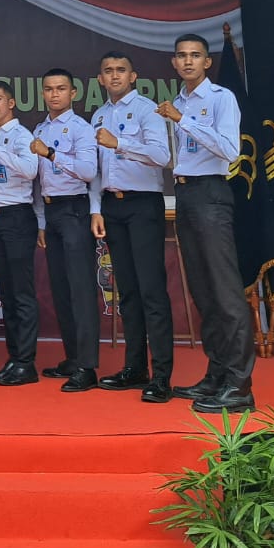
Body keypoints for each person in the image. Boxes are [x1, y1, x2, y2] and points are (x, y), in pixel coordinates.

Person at [160, 33, 255, 412]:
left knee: (225, 291)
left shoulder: (220, 98)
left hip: (212, 193)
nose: (188, 61)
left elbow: (230, 150)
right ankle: (216, 375)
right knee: (203, 291)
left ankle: (240, 386)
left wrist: (183, 121)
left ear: (207, 62)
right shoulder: (178, 101)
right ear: (174, 62)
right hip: (185, 194)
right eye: (181, 55)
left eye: (195, 55)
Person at [90, 50, 174, 404]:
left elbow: (163, 156)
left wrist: (120, 143)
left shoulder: (147, 110)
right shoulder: (98, 115)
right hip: (112, 206)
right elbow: (96, 169)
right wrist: (96, 209)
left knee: (151, 290)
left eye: (121, 70)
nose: (114, 76)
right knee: (127, 291)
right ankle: (135, 367)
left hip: (143, 205)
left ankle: (162, 376)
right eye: (108, 71)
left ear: (133, 76)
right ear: (100, 79)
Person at [32, 69, 103, 393]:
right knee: (61, 289)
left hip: (75, 209)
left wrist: (51, 153)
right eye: (49, 89)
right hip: (51, 211)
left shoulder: (81, 128)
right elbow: (38, 181)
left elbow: (88, 171)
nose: (54, 94)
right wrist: (41, 221)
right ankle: (73, 358)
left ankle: (88, 367)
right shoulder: (40, 129)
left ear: (73, 93)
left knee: (81, 290)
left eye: (61, 89)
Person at [0, 79, 43, 386]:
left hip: (17, 217)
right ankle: (15, 358)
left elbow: (30, 170)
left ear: (11, 103)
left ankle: (26, 363)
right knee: (7, 293)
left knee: (21, 294)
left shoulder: (20, 135)